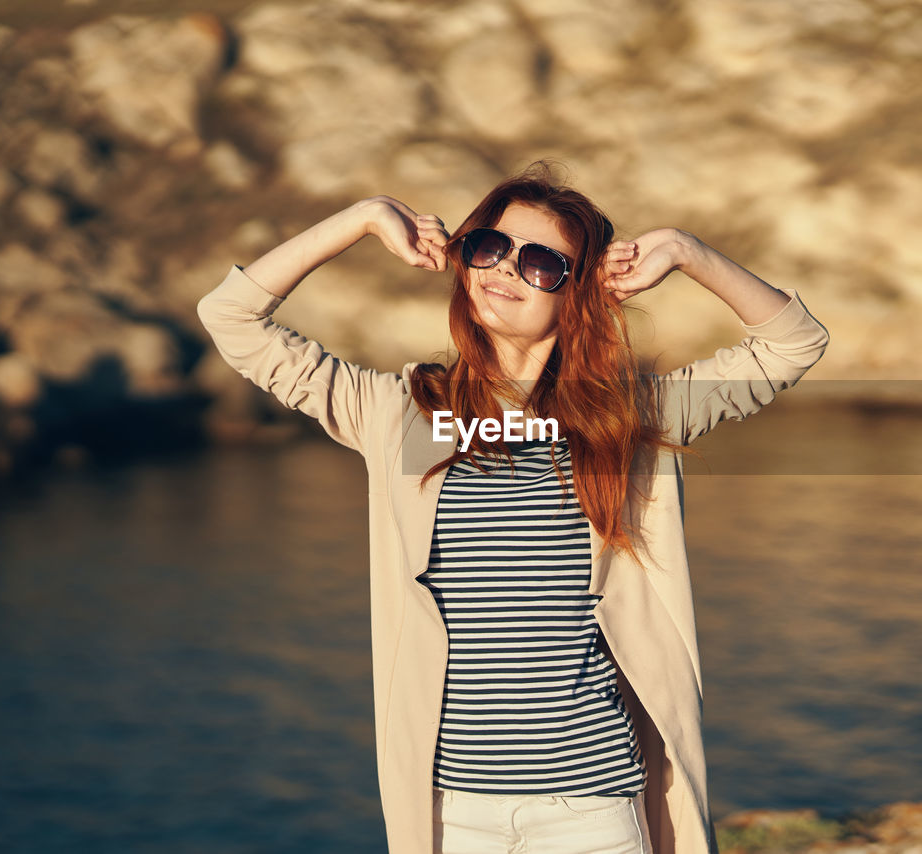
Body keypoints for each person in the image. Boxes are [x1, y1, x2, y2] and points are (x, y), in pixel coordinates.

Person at [196, 162, 829, 854]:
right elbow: (230, 316)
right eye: (488, 246)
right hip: (454, 810)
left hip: (590, 810)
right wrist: (365, 216)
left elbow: (793, 343)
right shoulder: (404, 415)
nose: (503, 268)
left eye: (540, 262)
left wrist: (686, 251)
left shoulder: (629, 421)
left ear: (578, 294)